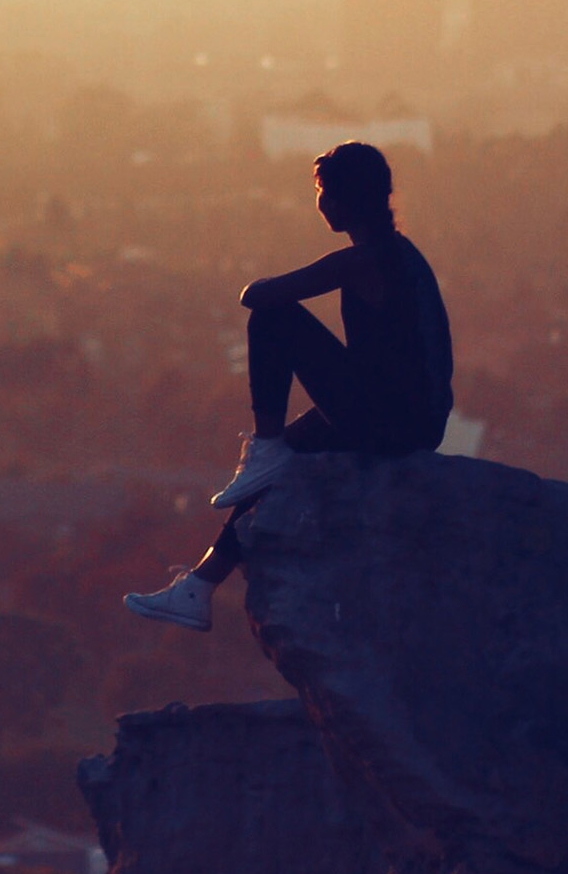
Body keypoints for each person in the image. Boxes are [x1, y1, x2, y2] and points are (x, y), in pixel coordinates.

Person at [124, 140, 453, 631]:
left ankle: (266, 444)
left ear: (342, 200)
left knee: (272, 318)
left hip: (388, 419)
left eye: (323, 191)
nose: (320, 202)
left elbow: (257, 295)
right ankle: (200, 585)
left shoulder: (364, 260)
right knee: (274, 474)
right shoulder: (398, 255)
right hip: (409, 417)